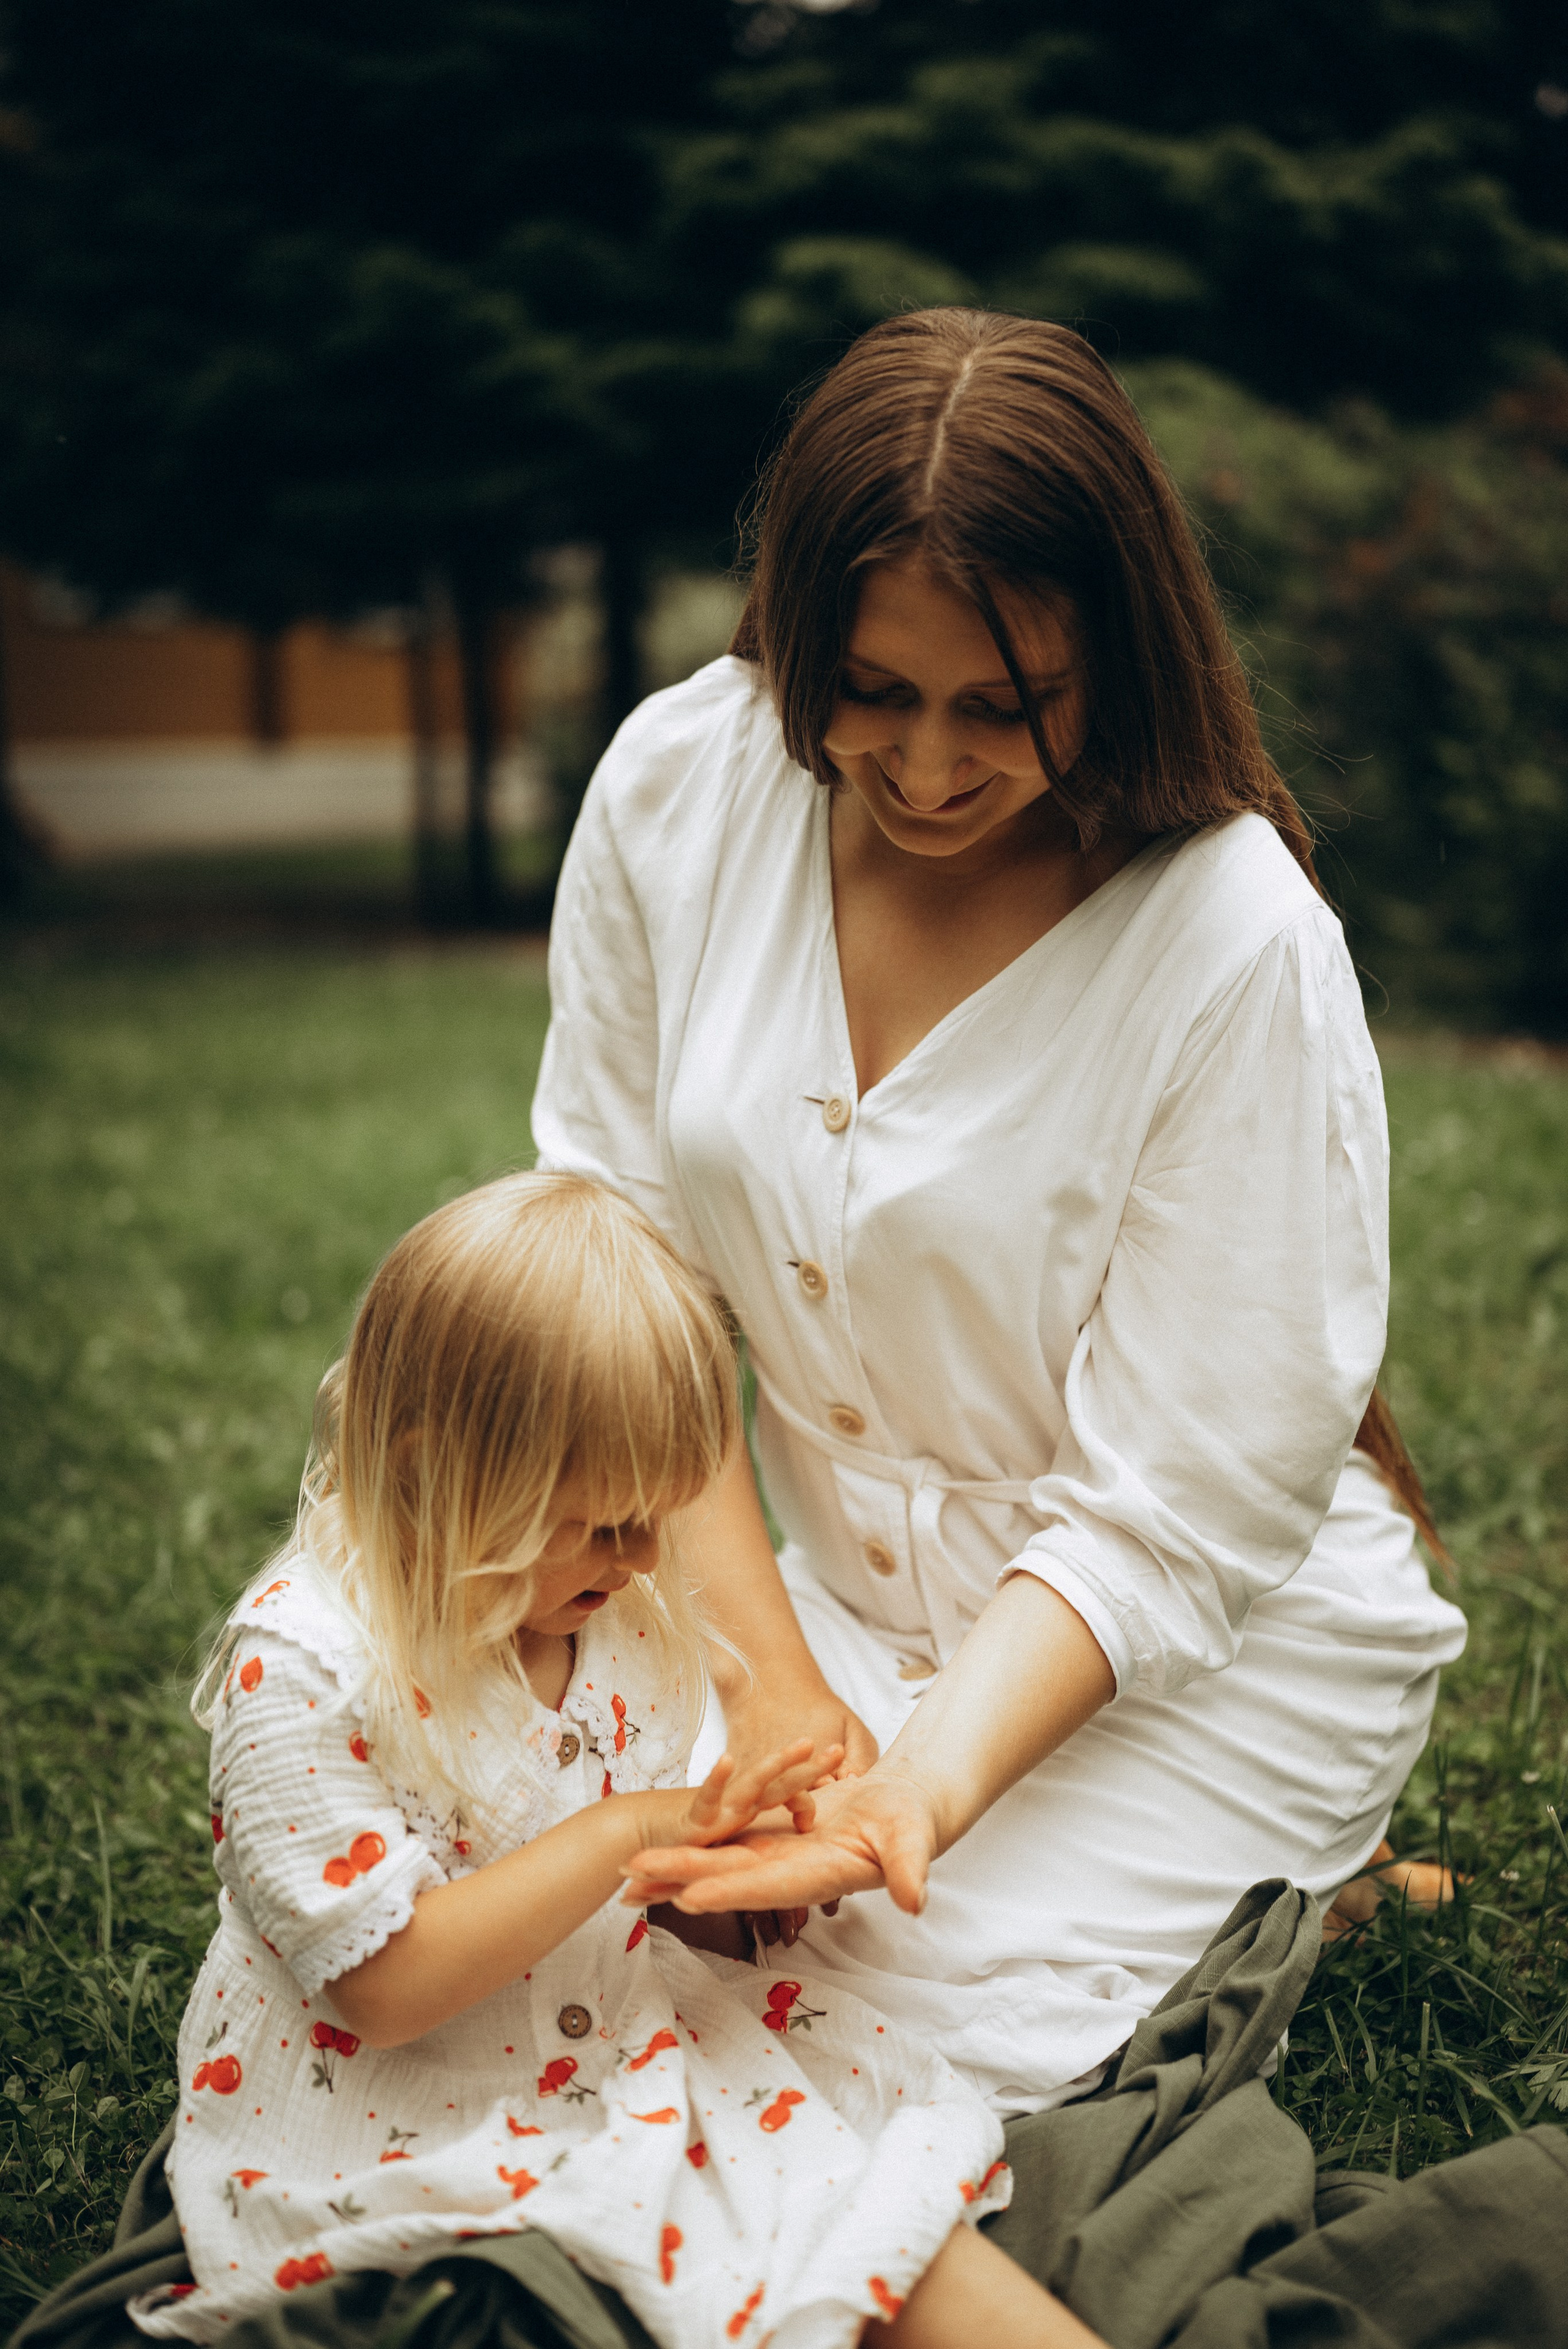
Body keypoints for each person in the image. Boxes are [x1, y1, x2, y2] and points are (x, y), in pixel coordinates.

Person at [531, 307, 1469, 2114]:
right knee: (538, 1895)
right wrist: (777, 1689)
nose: (934, 765)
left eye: (1006, 704)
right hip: (815, 1610)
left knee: (849, 2024)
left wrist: (907, 1788)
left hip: (1174, 1657)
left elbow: (1171, 1512)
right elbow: (630, 1287)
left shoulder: (1238, 941)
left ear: (1118, 656)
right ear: (794, 632)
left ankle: (1287, 1879)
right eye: (870, 690)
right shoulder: (680, 782)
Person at [126, 1171, 1098, 2349]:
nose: (645, 1557)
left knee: (848, 2210)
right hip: (397, 2106)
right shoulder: (306, 1673)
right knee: (642, 2265)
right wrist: (625, 1832)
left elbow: (588, 1863)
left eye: (658, 1514)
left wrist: (700, 1888)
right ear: (434, 1471)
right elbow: (380, 1993)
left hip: (602, 2033)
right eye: (605, 1522)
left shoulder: (604, 1610)